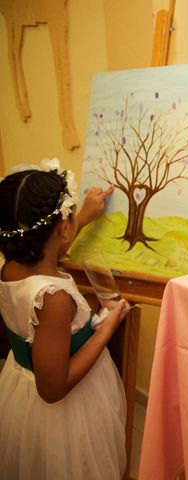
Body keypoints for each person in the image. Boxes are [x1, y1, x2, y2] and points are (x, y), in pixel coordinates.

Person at [0, 159, 130, 479]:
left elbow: (45, 250)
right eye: (71, 217)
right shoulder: (54, 299)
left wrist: (81, 218)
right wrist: (107, 325)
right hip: (64, 413)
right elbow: (53, 389)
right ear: (61, 228)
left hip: (19, 391)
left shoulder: (10, 263)